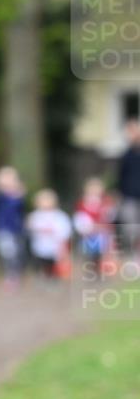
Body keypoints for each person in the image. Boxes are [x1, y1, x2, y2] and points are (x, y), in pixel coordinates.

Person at [0, 166, 27, 290]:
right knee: (7, 253)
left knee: (17, 253)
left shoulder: (19, 195)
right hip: (3, 229)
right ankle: (10, 276)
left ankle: (16, 274)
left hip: (17, 229)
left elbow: (21, 210)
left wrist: (18, 195)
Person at [73, 178, 115, 280]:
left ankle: (100, 272)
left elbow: (110, 216)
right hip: (89, 234)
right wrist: (87, 227)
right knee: (90, 254)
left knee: (101, 254)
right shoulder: (82, 204)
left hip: (102, 233)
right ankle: (90, 272)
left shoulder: (106, 202)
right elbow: (80, 218)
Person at [26, 189, 72, 281]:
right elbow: (30, 227)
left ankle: (54, 276)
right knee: (43, 261)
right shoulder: (35, 216)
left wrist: (61, 239)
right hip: (41, 245)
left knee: (54, 262)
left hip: (55, 245)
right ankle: (45, 275)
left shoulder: (59, 216)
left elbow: (65, 229)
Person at [117, 119, 140, 256]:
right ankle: (135, 256)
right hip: (129, 197)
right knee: (130, 228)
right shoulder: (126, 155)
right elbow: (121, 176)